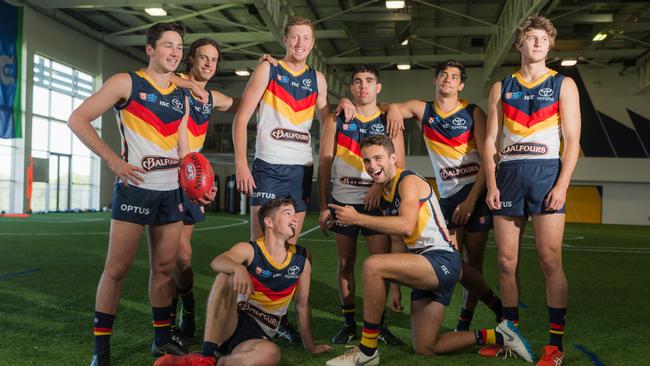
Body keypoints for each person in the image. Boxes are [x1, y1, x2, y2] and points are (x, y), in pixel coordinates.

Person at [326, 136, 534, 366]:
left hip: (439, 260)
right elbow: (398, 240)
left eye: (378, 158)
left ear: (393, 158)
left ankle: (367, 351)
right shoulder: (386, 193)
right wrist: (395, 287)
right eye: (366, 160)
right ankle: (500, 335)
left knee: (372, 265)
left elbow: (405, 224)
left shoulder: (408, 181)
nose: (372, 166)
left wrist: (357, 218)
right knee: (426, 346)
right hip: (426, 264)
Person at [68, 22, 190, 365]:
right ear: (150, 49)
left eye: (179, 47)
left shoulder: (180, 95)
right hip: (135, 190)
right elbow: (77, 119)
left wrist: (194, 180)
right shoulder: (127, 82)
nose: (175, 53)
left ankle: (162, 340)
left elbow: (182, 150)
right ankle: (101, 351)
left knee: (165, 267)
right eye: (168, 45)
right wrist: (113, 161)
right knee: (117, 269)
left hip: (170, 192)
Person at [232, 15, 355, 342]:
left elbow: (326, 118)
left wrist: (341, 104)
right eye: (295, 38)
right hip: (268, 166)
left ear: (313, 44)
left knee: (287, 252)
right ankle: (242, 322)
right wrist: (242, 164)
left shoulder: (318, 79)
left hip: (301, 170)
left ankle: (279, 320)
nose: (300, 43)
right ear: (286, 40)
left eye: (306, 39)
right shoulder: (268, 69)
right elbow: (242, 118)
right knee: (260, 251)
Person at [483, 15, 581, 366]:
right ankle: (511, 335)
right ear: (519, 44)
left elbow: (572, 141)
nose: (537, 43)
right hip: (508, 174)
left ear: (550, 45)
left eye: (543, 38)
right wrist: (492, 183)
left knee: (549, 259)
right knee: (506, 262)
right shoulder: (502, 86)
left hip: (545, 173)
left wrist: (562, 184)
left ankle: (555, 345)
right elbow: (491, 140)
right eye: (530, 37)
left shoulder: (563, 84)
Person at [385, 60, 502, 341]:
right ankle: (443, 314)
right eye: (443, 76)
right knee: (450, 259)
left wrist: (473, 200)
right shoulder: (423, 109)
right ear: (435, 81)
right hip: (447, 198)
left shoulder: (473, 112)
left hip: (476, 192)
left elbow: (489, 158)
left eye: (454, 77)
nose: (448, 80)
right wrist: (391, 110)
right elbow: (394, 107)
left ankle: (465, 321)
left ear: (461, 84)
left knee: (473, 260)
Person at [153, 198, 332, 366]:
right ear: (269, 222)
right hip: (230, 321)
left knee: (271, 354)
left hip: (258, 334)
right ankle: (207, 354)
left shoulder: (301, 260)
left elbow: (302, 305)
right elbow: (218, 261)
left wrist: (311, 346)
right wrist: (238, 268)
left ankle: (211, 362)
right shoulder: (251, 250)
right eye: (287, 213)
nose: (295, 218)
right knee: (225, 276)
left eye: (295, 214)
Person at [318, 64, 405, 345]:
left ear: (378, 87)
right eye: (357, 81)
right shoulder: (337, 119)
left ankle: (377, 326)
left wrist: (379, 186)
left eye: (369, 81)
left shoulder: (389, 119)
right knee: (346, 263)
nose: (363, 86)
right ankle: (348, 324)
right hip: (342, 201)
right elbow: (325, 164)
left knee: (379, 265)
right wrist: (323, 206)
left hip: (376, 205)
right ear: (351, 88)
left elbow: (398, 165)